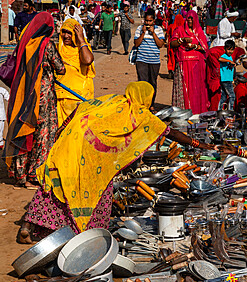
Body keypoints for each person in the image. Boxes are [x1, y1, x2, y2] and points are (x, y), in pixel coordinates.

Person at [19, 81, 213, 243]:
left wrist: (63, 132)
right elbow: (172, 133)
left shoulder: (111, 100)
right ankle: (83, 234)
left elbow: (81, 108)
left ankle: (29, 225)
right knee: (95, 192)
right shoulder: (142, 115)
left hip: (71, 142)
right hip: (94, 157)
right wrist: (198, 144)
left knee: (58, 183)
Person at [3, 12, 65, 190]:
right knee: (43, 135)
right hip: (42, 97)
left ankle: (19, 175)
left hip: (24, 96)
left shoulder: (25, 43)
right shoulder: (46, 45)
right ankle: (34, 175)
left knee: (23, 131)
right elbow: (60, 69)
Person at [55, 19, 95, 127]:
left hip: (78, 99)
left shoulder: (83, 49)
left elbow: (87, 60)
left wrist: (81, 40)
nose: (66, 36)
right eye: (64, 32)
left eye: (70, 32)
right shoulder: (57, 49)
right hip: (60, 98)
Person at [170, 10, 208, 114]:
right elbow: (172, 44)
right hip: (183, 64)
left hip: (197, 65)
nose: (189, 20)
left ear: (196, 19)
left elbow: (205, 48)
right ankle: (183, 113)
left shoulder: (199, 32)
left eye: (192, 18)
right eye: (188, 18)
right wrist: (181, 40)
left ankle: (197, 112)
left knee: (196, 90)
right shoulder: (179, 30)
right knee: (186, 91)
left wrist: (194, 46)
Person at [134, 8, 165, 112]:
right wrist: (143, 34)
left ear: (154, 21)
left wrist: (153, 34)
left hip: (154, 61)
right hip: (141, 59)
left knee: (152, 83)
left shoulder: (159, 29)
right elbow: (136, 43)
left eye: (150, 21)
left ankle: (151, 104)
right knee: (143, 83)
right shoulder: (139, 29)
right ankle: (143, 104)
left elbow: (160, 44)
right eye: (146, 21)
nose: (148, 23)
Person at [206, 45, 245, 111]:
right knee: (220, 94)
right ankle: (218, 111)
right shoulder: (219, 54)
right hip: (216, 69)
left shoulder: (233, 53)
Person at [218, 40, 236, 110]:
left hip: (228, 79)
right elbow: (219, 59)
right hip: (226, 79)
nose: (230, 51)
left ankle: (219, 110)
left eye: (232, 50)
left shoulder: (230, 57)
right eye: (228, 49)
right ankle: (230, 110)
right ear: (225, 49)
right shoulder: (224, 56)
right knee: (232, 96)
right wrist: (229, 61)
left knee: (224, 96)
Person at [166, 14, 184, 79]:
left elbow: (167, 34)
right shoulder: (183, 28)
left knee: (170, 58)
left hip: (171, 45)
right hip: (180, 46)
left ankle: (170, 71)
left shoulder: (171, 26)